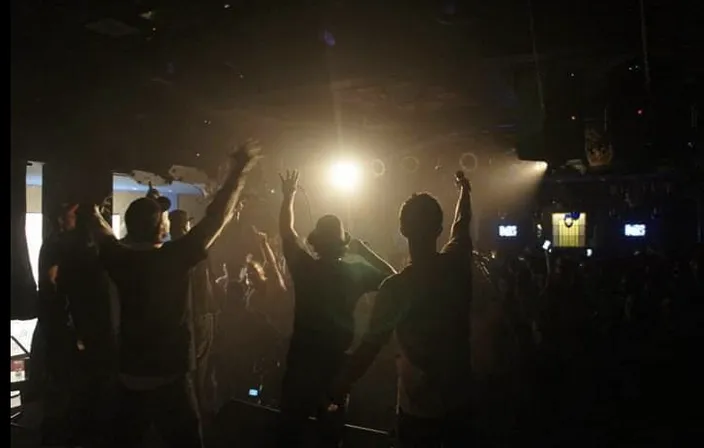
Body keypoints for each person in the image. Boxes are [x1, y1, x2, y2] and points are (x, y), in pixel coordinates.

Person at [85, 141, 261, 448]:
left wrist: (99, 204)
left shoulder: (117, 258)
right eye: (163, 218)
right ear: (161, 229)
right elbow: (216, 217)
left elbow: (98, 224)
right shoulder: (173, 257)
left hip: (129, 375)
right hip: (170, 379)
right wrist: (238, 172)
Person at [331, 171, 474, 448]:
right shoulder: (457, 265)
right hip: (461, 403)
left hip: (420, 411)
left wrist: (338, 386)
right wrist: (465, 193)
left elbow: (368, 350)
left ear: (402, 229)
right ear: (438, 229)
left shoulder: (396, 288)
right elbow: (463, 223)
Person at [276, 169, 396, 447]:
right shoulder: (354, 272)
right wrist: (362, 249)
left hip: (301, 362)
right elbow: (392, 278)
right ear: (344, 242)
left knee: (289, 433)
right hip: (335, 368)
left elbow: (287, 231)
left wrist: (288, 196)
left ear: (316, 241)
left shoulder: (304, 267)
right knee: (330, 435)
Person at [169, 209, 218, 424]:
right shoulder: (189, 249)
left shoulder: (170, 250)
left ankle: (194, 411)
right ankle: (196, 414)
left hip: (192, 314)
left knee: (192, 369)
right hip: (198, 315)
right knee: (198, 369)